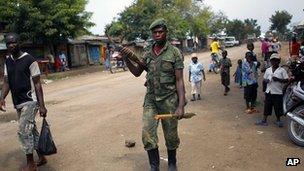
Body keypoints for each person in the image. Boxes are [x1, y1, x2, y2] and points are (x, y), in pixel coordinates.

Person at [120, 18, 185, 171]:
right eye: (154, 32)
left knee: (171, 135)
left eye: (160, 31)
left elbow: (180, 80)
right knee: (147, 133)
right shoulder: (147, 52)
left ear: (166, 32)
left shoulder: (175, 53)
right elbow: (137, 72)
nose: (157, 34)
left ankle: (171, 163)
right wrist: (127, 59)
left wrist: (181, 105)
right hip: (151, 99)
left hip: (169, 99)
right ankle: (154, 166)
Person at [0, 33, 48, 171]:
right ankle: (42, 157)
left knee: (23, 131)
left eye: (13, 42)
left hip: (30, 101)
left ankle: (31, 164)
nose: (11, 45)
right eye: (8, 43)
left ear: (19, 43)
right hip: (18, 102)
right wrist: (2, 97)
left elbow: (38, 84)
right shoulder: (7, 61)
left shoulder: (30, 60)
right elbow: (7, 81)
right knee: (31, 131)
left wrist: (42, 106)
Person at [255, 53, 289, 127]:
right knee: (267, 106)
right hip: (269, 91)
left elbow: (287, 80)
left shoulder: (282, 70)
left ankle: (278, 120)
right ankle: (264, 120)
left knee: (277, 107)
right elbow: (264, 79)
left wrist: (278, 79)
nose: (275, 62)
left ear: (279, 61)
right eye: (273, 61)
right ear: (270, 61)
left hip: (278, 92)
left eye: (276, 61)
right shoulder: (268, 70)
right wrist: (266, 81)